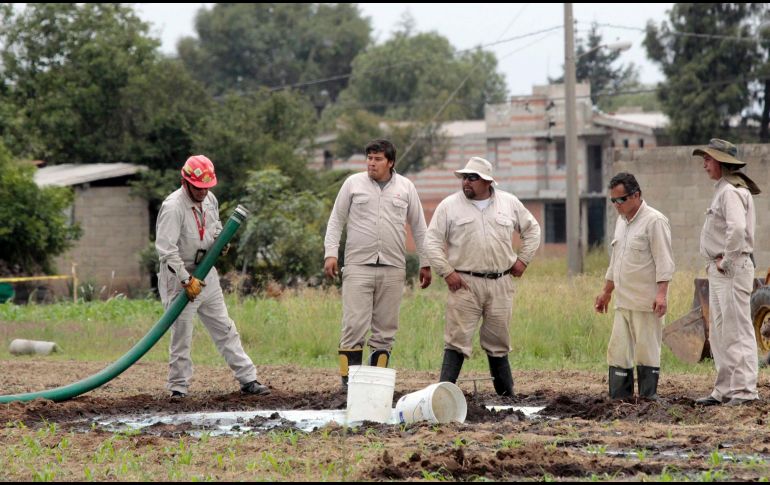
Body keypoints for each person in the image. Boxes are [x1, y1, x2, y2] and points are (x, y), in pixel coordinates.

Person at [155, 155, 269, 398]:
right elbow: (166, 250)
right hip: (179, 277)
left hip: (207, 271)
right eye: (198, 188)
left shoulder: (210, 199)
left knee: (225, 327)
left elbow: (215, 226)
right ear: (185, 182)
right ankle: (178, 388)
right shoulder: (173, 207)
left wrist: (220, 242)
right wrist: (186, 280)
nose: (203, 193)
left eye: (207, 188)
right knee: (182, 334)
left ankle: (248, 379)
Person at [424, 157, 540, 396]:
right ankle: (443, 395)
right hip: (464, 284)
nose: (466, 182)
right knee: (456, 340)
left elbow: (532, 229)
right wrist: (447, 272)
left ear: (487, 181)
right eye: (464, 177)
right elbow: (431, 241)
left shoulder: (509, 203)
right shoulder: (449, 206)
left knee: (498, 341)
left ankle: (507, 397)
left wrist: (523, 260)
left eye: (472, 178)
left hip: (501, 282)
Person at [324, 139, 432, 387]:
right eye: (369, 158)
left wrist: (425, 262)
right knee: (353, 328)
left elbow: (419, 227)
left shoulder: (406, 187)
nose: (372, 164)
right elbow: (336, 220)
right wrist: (331, 253)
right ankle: (349, 387)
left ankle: (375, 387)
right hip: (357, 266)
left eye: (378, 159)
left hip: (393, 268)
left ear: (390, 162)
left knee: (385, 333)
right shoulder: (352, 184)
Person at [692, 139, 761, 407]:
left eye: (708, 159)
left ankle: (744, 391)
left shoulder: (731, 191)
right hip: (721, 269)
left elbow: (737, 229)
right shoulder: (723, 189)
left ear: (721, 162)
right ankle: (724, 389)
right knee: (720, 332)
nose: (705, 164)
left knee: (736, 330)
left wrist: (728, 261)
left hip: (731, 269)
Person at [594, 173, 674, 401]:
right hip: (623, 301)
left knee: (647, 351)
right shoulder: (621, 223)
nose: (617, 206)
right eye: (613, 201)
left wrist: (661, 294)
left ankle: (648, 400)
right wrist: (606, 292)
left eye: (621, 200)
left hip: (646, 302)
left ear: (636, 195)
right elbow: (615, 261)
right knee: (618, 351)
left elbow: (664, 262)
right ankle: (620, 399)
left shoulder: (654, 221)